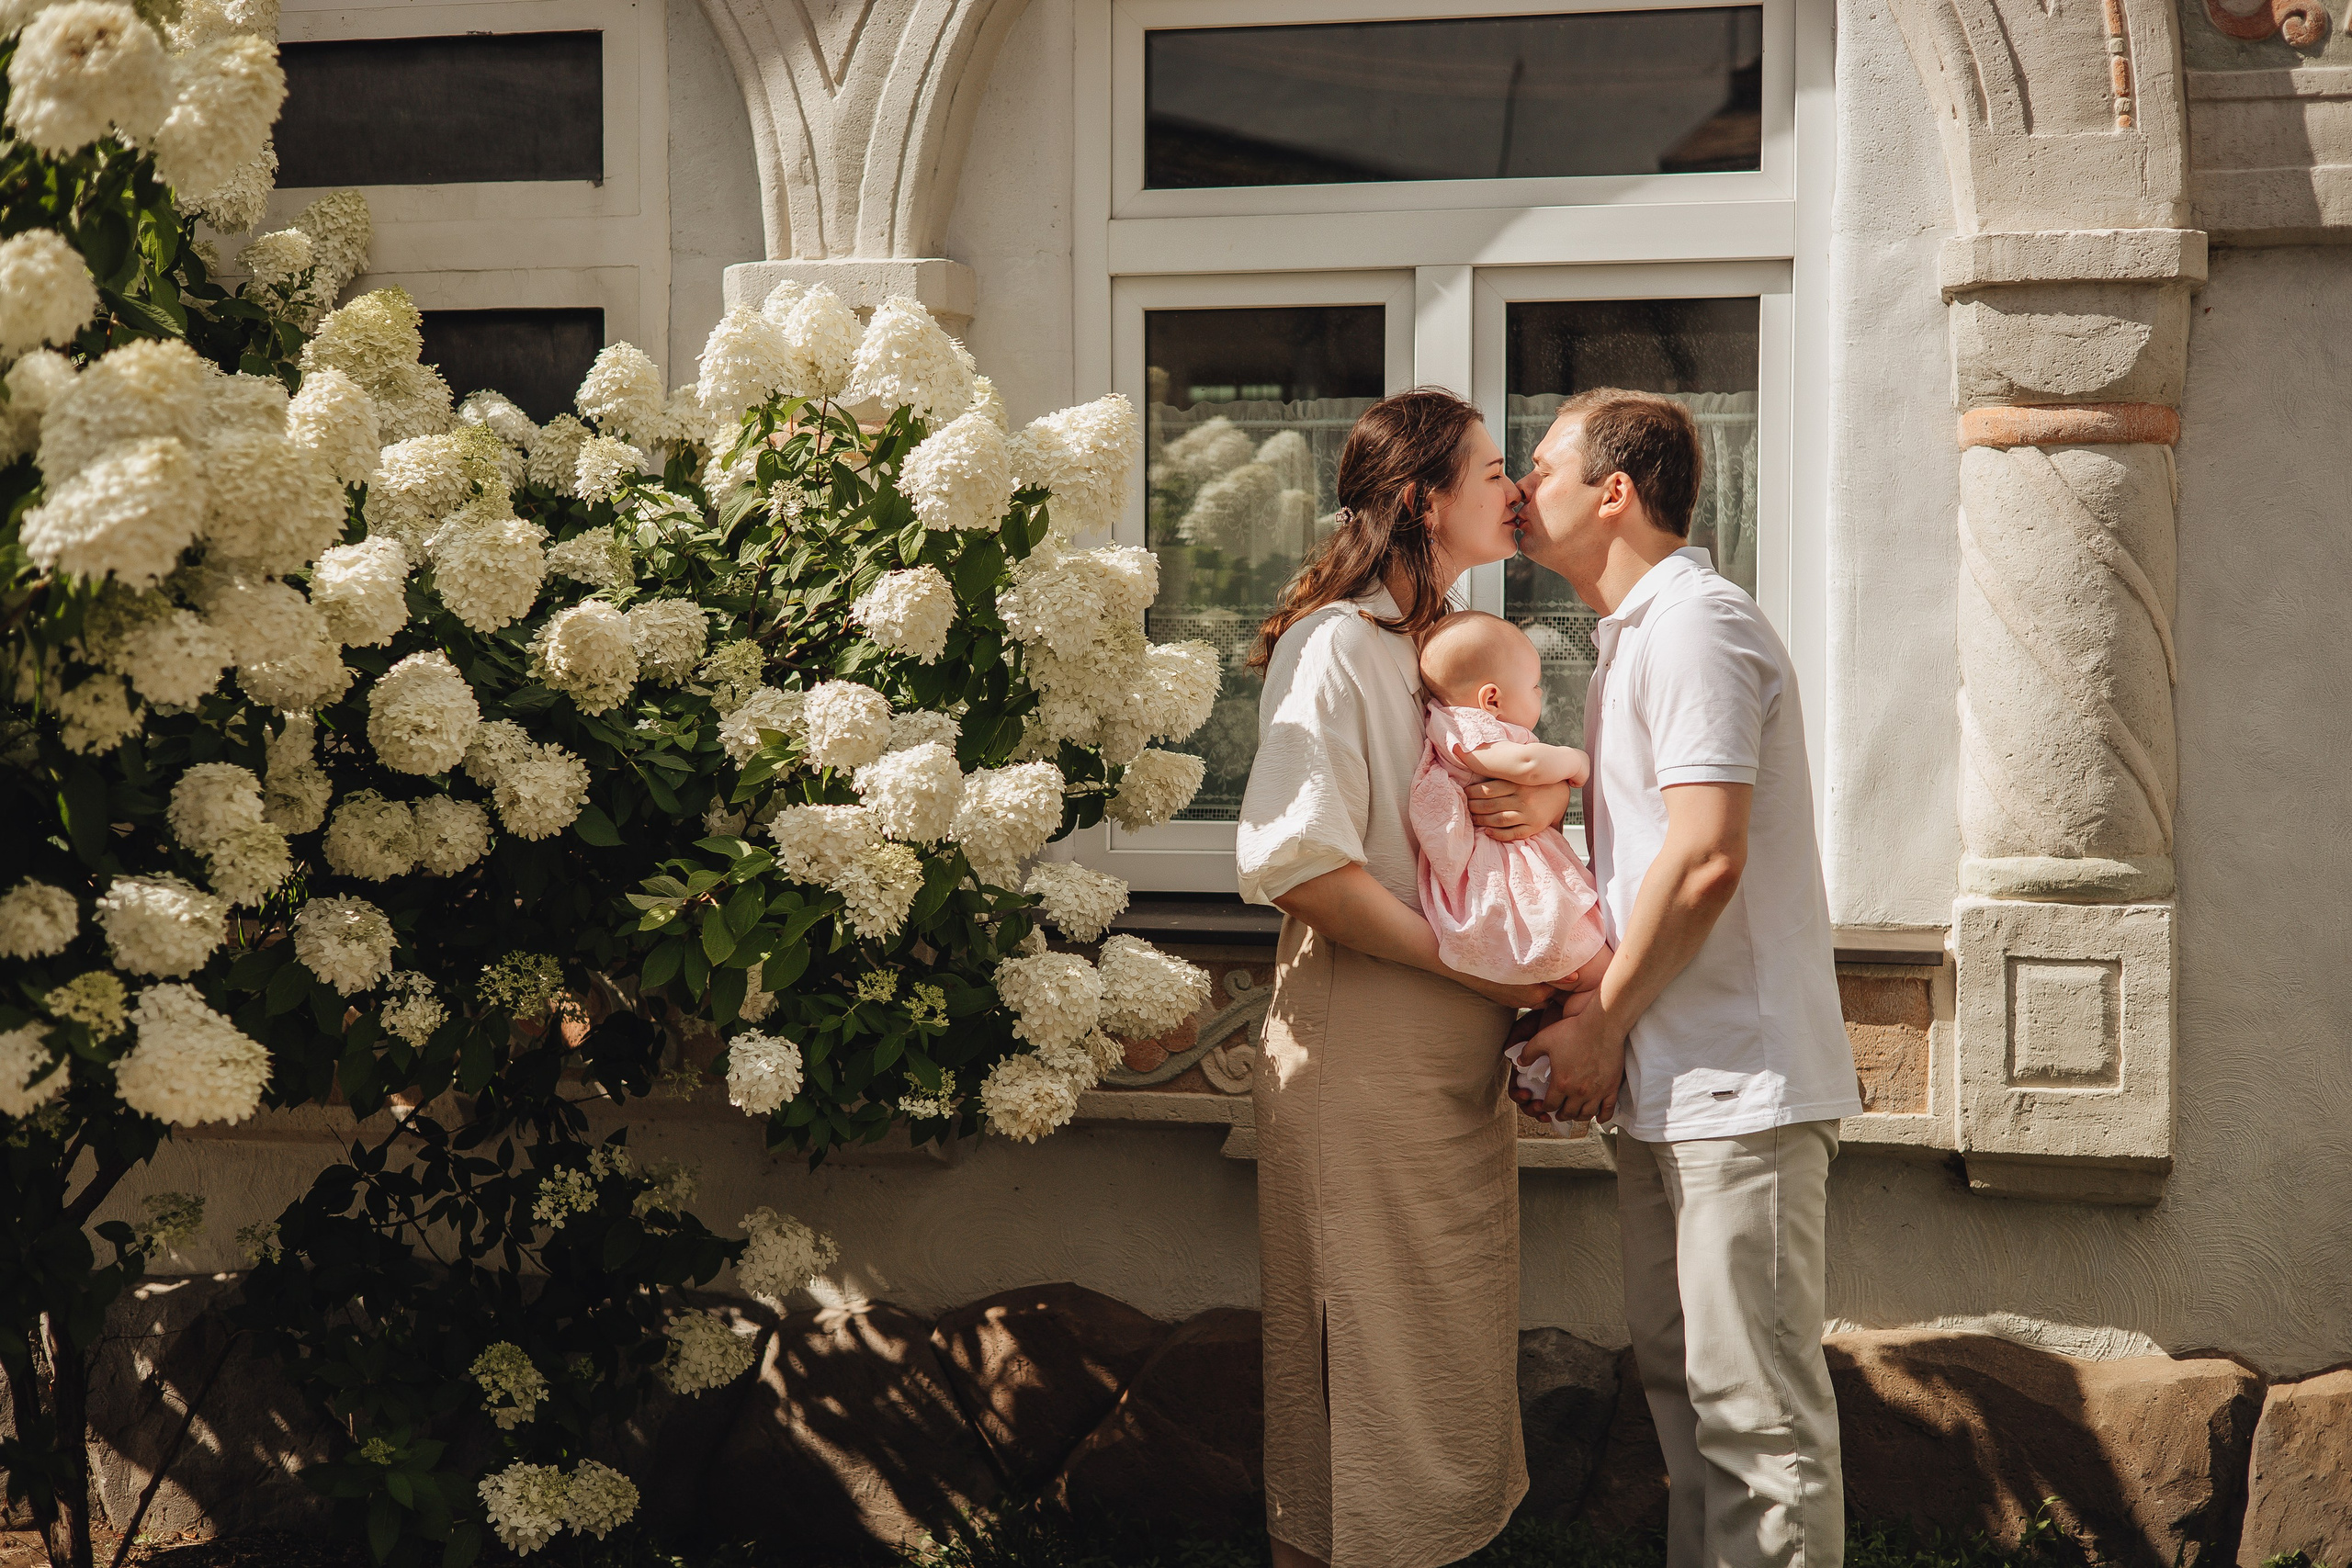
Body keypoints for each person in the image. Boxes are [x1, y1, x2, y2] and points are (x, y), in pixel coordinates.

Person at [1464, 388, 1860, 1568]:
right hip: (1677, 1087)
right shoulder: (1634, 634)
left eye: (1536, 467)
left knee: (1759, 1428)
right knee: (1692, 1416)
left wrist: (1599, 1024)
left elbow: (1705, 860)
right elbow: (1676, 815)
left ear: (1614, 492)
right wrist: (1577, 780)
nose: (1517, 492)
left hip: (1740, 1088)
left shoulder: (1693, 624)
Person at [1235, 388, 1571, 1568]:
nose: (1516, 493)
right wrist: (1482, 965)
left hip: (1445, 1079)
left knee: (1441, 1369)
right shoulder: (1339, 644)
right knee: (1359, 1389)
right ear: (1424, 500)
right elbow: (1302, 865)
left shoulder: (1445, 654)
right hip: (1362, 1074)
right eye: (1490, 474)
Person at [1409, 610, 1609, 988]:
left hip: (1517, 858)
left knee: (1585, 966)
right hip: (1504, 872)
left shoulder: (1459, 724)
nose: (1541, 693)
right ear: (1492, 700)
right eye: (1535, 685)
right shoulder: (1468, 728)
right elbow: (1527, 765)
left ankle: (1546, 1028)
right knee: (1597, 974)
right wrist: (1576, 761)